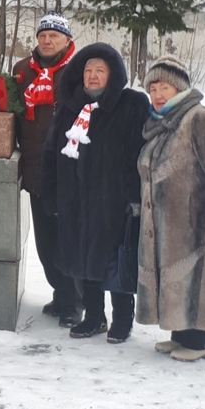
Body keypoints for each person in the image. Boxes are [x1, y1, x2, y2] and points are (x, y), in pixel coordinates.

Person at [40, 44, 150, 342]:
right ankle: (94, 317)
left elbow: (141, 152)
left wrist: (134, 197)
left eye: (99, 70)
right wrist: (49, 194)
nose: (92, 76)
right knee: (84, 260)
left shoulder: (132, 104)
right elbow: (51, 152)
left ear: (112, 74)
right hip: (76, 200)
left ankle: (122, 320)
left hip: (115, 201)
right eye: (88, 70)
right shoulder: (70, 108)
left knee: (115, 262)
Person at [136, 56, 205, 361]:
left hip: (195, 220)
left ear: (179, 88)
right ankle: (179, 334)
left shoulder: (198, 117)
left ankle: (199, 341)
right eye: (152, 88)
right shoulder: (160, 123)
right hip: (165, 221)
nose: (157, 94)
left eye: (164, 86)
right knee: (171, 277)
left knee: (193, 278)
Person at [13, 12, 80, 327]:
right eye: (43, 35)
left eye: (54, 35)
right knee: (45, 243)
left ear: (66, 40)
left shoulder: (79, 72)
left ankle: (74, 300)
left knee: (68, 241)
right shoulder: (22, 71)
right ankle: (61, 292)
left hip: (69, 175)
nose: (47, 40)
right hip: (37, 171)